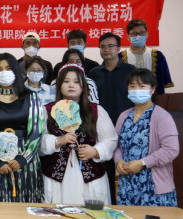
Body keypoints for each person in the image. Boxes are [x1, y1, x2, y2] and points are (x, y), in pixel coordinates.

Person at [40, 63, 117, 205]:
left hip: (90, 173)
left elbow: (110, 139)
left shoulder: (96, 111)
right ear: (59, 85)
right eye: (66, 81)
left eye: (76, 82)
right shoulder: (48, 110)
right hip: (56, 173)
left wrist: (95, 151)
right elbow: (39, 139)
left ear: (83, 86)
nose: (71, 85)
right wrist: (58, 141)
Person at [0, 53, 45, 203]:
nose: (4, 73)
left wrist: (22, 159)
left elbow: (36, 131)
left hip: (26, 161)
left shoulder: (31, 97)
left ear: (16, 71)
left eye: (8, 68)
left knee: (26, 207)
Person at [115, 68, 179, 206]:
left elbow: (171, 149)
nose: (136, 90)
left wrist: (142, 163)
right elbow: (117, 145)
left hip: (154, 189)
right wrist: (118, 161)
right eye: (132, 86)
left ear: (152, 89)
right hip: (127, 186)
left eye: (142, 86)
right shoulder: (124, 116)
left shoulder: (162, 116)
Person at [88, 32, 135, 203]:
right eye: (102, 46)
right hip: (101, 130)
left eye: (110, 46)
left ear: (119, 48)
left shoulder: (130, 71)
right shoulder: (93, 73)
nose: (106, 49)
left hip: (126, 127)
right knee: (105, 168)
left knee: (127, 168)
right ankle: (110, 207)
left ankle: (127, 207)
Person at [119, 18, 174, 95]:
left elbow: (162, 83)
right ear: (128, 37)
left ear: (147, 35)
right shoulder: (120, 57)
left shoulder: (157, 55)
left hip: (153, 98)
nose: (138, 36)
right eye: (134, 33)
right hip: (128, 99)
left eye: (142, 33)